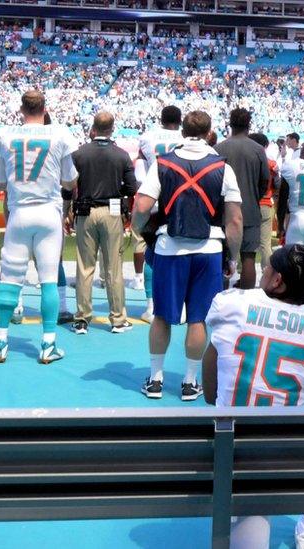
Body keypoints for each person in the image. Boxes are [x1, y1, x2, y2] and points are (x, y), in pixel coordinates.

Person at [202, 244, 304, 549]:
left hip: (226, 453)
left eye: (267, 266)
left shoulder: (234, 305)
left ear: (277, 280)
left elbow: (210, 393)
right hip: (285, 455)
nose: (263, 270)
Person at [131, 110, 243, 401]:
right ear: (209, 133)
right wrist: (232, 257)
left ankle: (156, 379)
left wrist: (140, 231)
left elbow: (142, 207)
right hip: (209, 250)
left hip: (170, 248)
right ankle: (190, 381)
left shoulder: (163, 163)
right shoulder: (223, 167)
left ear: (182, 131)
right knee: (198, 319)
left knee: (161, 316)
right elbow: (234, 221)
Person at [0, 90, 78, 364]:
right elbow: (70, 180)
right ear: (44, 108)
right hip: (48, 213)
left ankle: (0, 341)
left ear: (21, 109)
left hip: (19, 213)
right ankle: (48, 344)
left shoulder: (5, 135)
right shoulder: (60, 134)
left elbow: (0, 182)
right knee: (48, 279)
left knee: (10, 278)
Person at [70, 111, 137, 334]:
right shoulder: (121, 155)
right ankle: (117, 318)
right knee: (113, 268)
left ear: (94, 128)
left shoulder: (79, 154)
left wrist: (68, 210)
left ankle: (82, 318)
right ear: (112, 128)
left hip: (85, 212)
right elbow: (131, 188)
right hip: (111, 211)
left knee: (84, 266)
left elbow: (69, 185)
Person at [136, 105, 184, 322]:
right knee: (182, 253)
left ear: (161, 120)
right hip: (182, 203)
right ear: (180, 121)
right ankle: (180, 305)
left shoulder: (147, 137)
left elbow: (139, 173)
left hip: (155, 202)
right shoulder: (186, 137)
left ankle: (151, 305)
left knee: (151, 256)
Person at [214, 108, 271, 289]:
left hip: (224, 211)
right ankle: (245, 302)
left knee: (222, 257)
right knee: (248, 258)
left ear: (230, 124)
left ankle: (219, 298)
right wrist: (254, 196)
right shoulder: (258, 150)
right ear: (249, 125)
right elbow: (265, 180)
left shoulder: (218, 148)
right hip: (249, 210)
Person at [249, 132, 278, 273]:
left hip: (249, 204)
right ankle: (268, 272)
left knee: (245, 241)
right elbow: (277, 185)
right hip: (266, 203)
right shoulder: (272, 164)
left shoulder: (248, 161)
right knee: (265, 244)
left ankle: (243, 272)